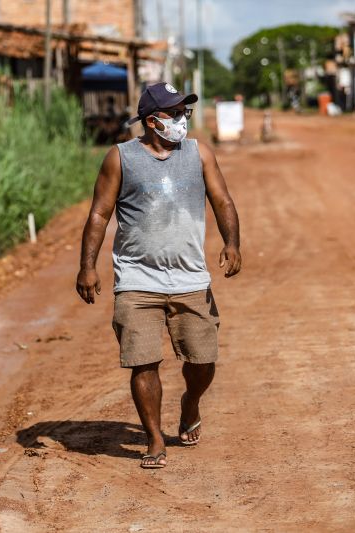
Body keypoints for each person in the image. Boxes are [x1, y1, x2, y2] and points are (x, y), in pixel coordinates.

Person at [75, 83, 241, 469]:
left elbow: (222, 200)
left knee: (202, 360)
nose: (184, 119)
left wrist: (232, 243)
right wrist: (87, 266)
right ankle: (153, 439)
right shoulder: (120, 159)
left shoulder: (199, 154)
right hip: (136, 279)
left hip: (190, 278)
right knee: (143, 361)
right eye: (176, 113)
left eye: (185, 112)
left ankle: (191, 402)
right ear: (152, 121)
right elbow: (99, 213)